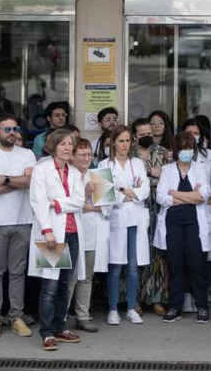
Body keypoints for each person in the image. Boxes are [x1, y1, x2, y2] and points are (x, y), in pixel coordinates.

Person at [0, 113, 36, 339]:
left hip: (23, 220)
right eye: (7, 129)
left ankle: (16, 317)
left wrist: (5, 179)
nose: (12, 133)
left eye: (14, 129)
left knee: (17, 272)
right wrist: (18, 180)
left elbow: (31, 181)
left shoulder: (28, 153)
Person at [29, 128, 86, 351]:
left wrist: (58, 203)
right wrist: (47, 230)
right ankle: (47, 332)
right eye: (63, 143)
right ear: (53, 146)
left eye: (70, 144)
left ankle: (61, 326)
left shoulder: (73, 173)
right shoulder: (41, 170)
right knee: (50, 286)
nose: (67, 147)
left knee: (65, 285)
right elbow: (38, 202)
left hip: (72, 233)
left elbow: (79, 201)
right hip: (52, 233)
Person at [154, 131, 211, 324]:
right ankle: (175, 306)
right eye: (183, 149)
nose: (186, 152)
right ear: (176, 150)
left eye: (190, 149)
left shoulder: (199, 169)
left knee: (197, 265)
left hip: (195, 224)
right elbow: (161, 197)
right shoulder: (167, 170)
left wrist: (177, 195)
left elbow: (203, 196)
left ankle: (202, 306)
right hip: (172, 223)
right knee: (175, 265)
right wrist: (189, 196)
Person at [99, 125, 150, 325]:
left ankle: (131, 306)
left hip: (135, 219)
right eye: (121, 140)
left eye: (128, 140)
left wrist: (124, 192)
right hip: (116, 219)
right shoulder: (104, 165)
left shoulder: (137, 163)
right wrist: (129, 194)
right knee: (115, 267)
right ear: (113, 142)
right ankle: (113, 309)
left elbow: (145, 189)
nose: (124, 145)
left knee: (133, 267)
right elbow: (104, 195)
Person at [182, 117, 211, 313]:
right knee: (187, 256)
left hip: (205, 210)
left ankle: (202, 293)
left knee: (205, 255)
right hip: (185, 210)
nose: (192, 137)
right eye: (188, 133)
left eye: (195, 133)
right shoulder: (179, 156)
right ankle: (187, 295)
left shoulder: (210, 156)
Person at [68, 138, 109, 332]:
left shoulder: (98, 175)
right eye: (82, 154)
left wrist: (87, 207)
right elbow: (68, 204)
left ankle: (82, 316)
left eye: (89, 154)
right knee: (69, 276)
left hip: (92, 233)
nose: (86, 158)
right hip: (70, 232)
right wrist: (85, 198)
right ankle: (60, 317)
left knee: (87, 276)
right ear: (72, 156)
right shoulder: (66, 176)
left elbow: (106, 206)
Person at [141, 111, 173, 316]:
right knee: (138, 253)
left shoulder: (164, 153)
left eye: (158, 123)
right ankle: (136, 299)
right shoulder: (131, 154)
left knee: (159, 255)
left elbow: (170, 179)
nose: (153, 128)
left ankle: (158, 298)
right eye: (148, 125)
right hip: (139, 206)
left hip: (159, 207)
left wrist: (155, 175)